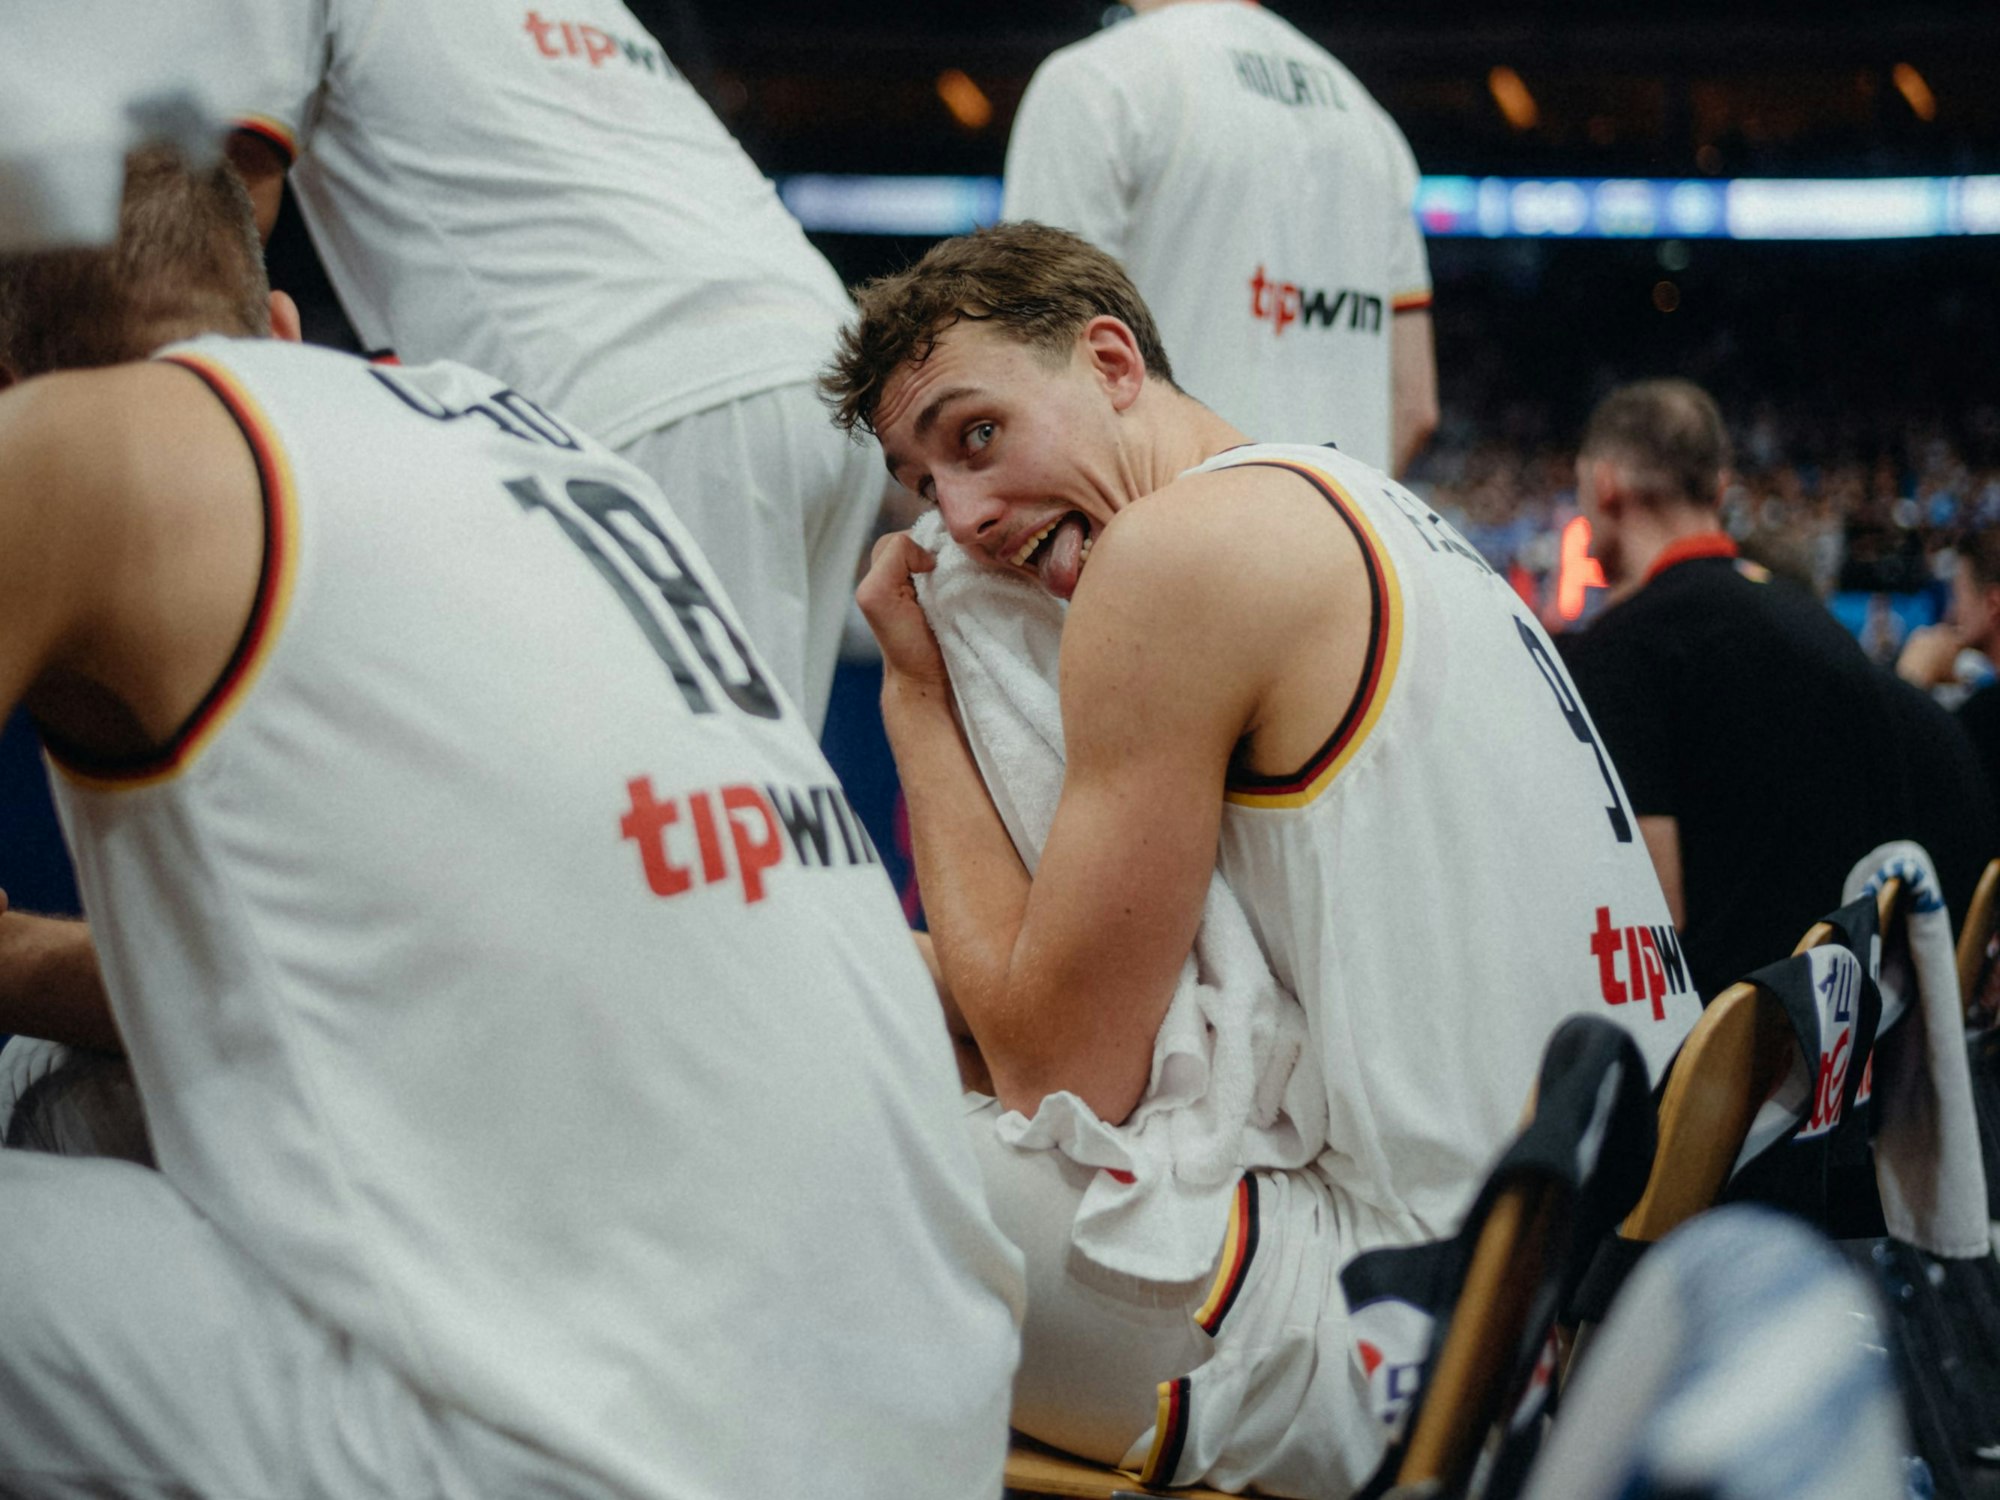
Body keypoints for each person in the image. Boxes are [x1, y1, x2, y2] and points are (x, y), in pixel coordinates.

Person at [0, 149, 1022, 1499]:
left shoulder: (68, 444)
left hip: (618, 1450)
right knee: (53, 1091)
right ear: (282, 330)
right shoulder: (510, 432)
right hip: (933, 1418)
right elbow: (382, 975)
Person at [822, 223, 1696, 1496]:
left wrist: (915, 696)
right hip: (1596, 1285)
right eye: (920, 485)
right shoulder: (1364, 503)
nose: (959, 520)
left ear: (1111, 360)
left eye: (975, 437)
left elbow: (1056, 1071)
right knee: (851, 1000)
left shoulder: (1170, 557)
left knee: (788, 1136)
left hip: (1425, 1333)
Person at [222, 0, 879, 731]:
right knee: (766, 805)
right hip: (819, 366)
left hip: (645, 390)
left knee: (667, 810)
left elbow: (225, 199)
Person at [1558, 378, 1995, 1001]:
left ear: (1604, 484)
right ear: (1720, 486)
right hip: (1833, 1039)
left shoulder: (1624, 647)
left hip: (1716, 1061)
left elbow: (1649, 922)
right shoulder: (1813, 621)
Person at [1001, 0, 1437, 476]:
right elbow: (1415, 407)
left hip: (1170, 536)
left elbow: (1038, 369)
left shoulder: (1093, 82)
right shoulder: (1370, 123)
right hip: (1347, 533)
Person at [1897, 530, 2000, 807]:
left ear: (1993, 604)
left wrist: (1911, 681)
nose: (1951, 614)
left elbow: (1900, 779)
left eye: (1959, 595)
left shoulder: (1984, 718)